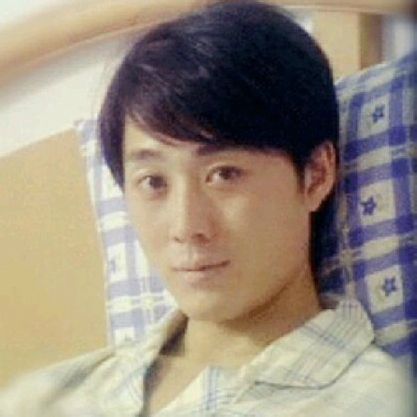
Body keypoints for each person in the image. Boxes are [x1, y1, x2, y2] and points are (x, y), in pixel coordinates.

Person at [0, 1, 411, 416]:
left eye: (224, 174)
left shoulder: (367, 402)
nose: (186, 226)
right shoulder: (56, 392)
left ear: (316, 175)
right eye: (154, 182)